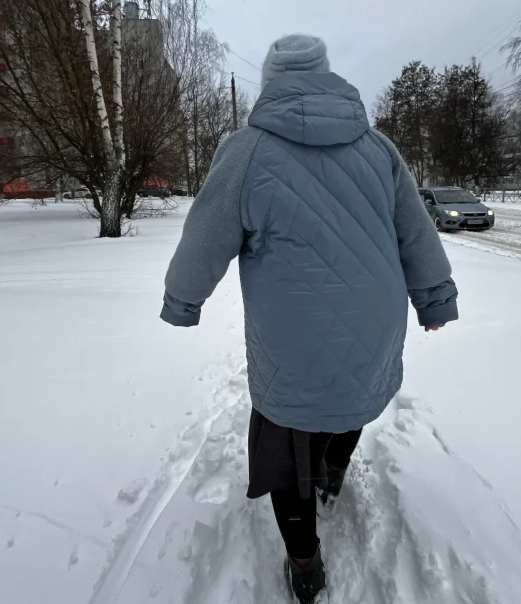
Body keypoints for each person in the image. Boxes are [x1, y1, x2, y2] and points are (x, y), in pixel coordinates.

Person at [160, 34, 459, 604]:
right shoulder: (378, 149)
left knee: (285, 441)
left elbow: (205, 236)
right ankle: (334, 470)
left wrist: (183, 301)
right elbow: (415, 229)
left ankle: (305, 561)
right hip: (373, 319)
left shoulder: (246, 149)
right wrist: (435, 298)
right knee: (350, 397)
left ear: (271, 83)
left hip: (291, 334)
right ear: (326, 76)